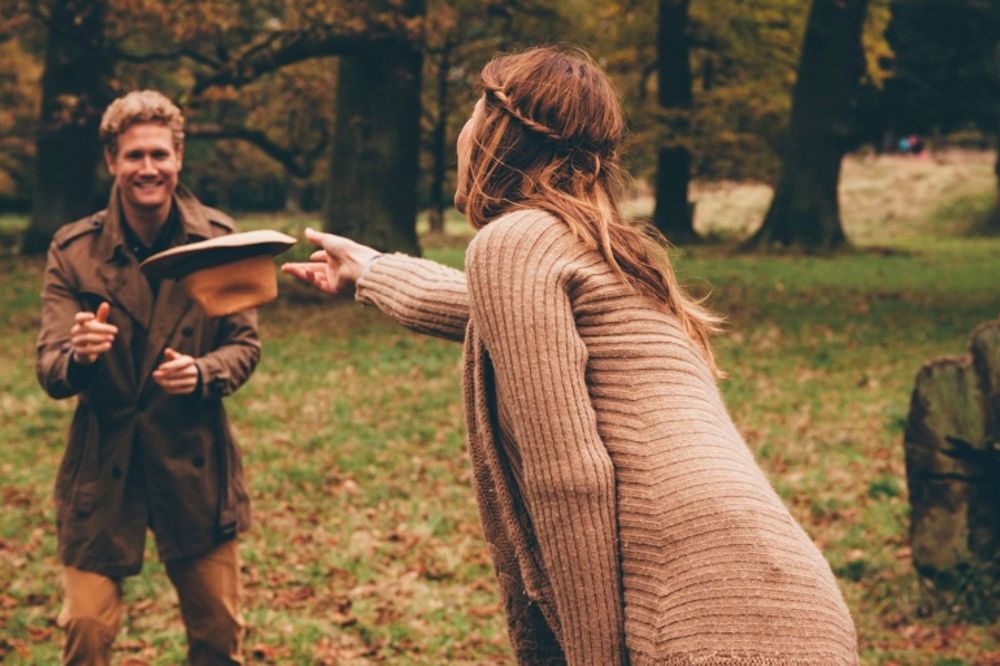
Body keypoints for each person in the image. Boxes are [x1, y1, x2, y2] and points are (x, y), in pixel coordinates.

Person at [284, 47, 859, 664]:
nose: (463, 131)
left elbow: (569, 477)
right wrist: (368, 270)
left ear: (497, 131)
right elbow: (494, 315)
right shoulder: (609, 249)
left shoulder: (515, 239)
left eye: (474, 111)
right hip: (786, 599)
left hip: (697, 616)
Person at [36, 90, 259, 665]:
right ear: (112, 160)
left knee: (216, 635)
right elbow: (50, 368)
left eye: (160, 154)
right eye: (134, 156)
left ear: (179, 157)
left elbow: (244, 344)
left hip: (193, 462)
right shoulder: (74, 251)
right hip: (103, 461)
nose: (148, 168)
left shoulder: (217, 239)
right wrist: (80, 354)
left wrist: (204, 372)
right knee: (86, 627)